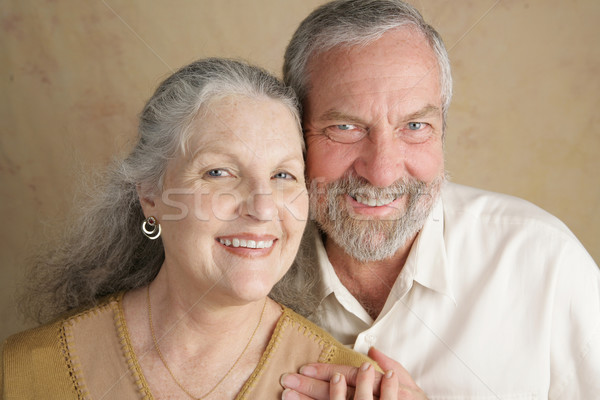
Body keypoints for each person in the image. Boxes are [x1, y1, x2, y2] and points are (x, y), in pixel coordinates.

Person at [1, 58, 397, 399]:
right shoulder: (21, 374)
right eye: (219, 172)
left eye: (283, 174)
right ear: (151, 196)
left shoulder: (348, 388)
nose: (262, 207)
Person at [271, 0, 600, 399]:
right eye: (345, 126)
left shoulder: (546, 263)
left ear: (442, 131)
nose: (383, 172)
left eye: (414, 125)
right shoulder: (244, 265)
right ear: (294, 131)